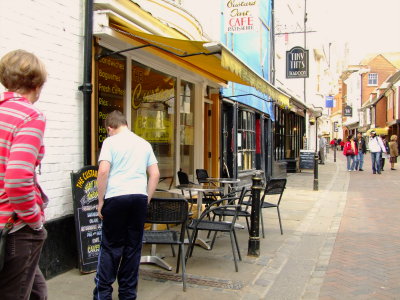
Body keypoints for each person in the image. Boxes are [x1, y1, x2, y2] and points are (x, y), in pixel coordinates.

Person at [93, 110, 160, 300]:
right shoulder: (144, 143)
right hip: (138, 198)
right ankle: (128, 295)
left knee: (110, 247)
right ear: (126, 125)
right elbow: (155, 174)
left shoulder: (110, 142)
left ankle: (103, 294)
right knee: (133, 248)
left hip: (116, 197)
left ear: (109, 128)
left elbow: (103, 171)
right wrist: (145, 199)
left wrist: (100, 202)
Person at [0, 50, 48, 299]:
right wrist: (35, 221)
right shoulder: (30, 116)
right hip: (15, 227)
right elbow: (17, 179)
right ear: (37, 85)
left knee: (38, 292)